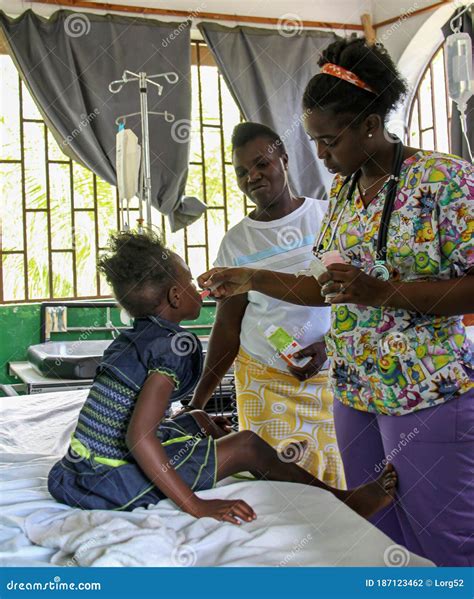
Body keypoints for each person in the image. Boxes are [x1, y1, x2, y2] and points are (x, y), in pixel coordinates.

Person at [198, 37, 474, 565]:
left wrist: (381, 292)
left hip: (426, 392)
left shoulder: (444, 181)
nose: (320, 155)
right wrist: (251, 278)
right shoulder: (346, 194)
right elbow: (328, 286)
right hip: (353, 392)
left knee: (446, 537)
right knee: (378, 531)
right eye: (314, 141)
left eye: (327, 141)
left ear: (369, 126)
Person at [47, 230, 397, 524]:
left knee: (196, 418)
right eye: (186, 279)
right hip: (114, 480)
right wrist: (196, 506)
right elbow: (140, 438)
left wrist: (199, 419)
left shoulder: (130, 340)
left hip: (79, 471)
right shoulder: (171, 348)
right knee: (248, 445)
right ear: (174, 295)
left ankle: (211, 441)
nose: (192, 283)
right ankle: (342, 501)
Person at [185, 122, 345, 488]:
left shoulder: (325, 218)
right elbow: (228, 326)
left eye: (262, 164)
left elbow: (348, 298)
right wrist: (198, 402)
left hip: (331, 378)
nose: (252, 176)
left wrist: (328, 345)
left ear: (284, 161)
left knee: (335, 478)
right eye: (242, 172)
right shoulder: (237, 242)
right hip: (264, 385)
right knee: (280, 486)